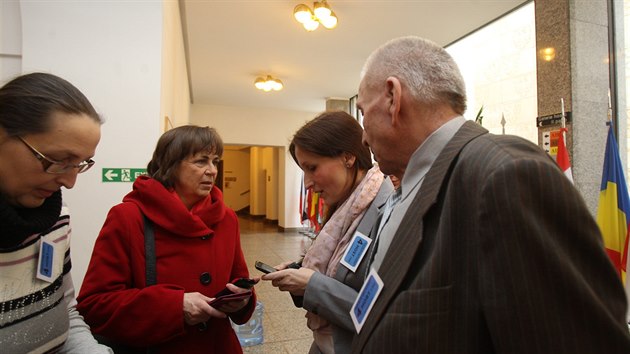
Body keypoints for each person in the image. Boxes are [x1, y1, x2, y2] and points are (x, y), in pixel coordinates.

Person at [350, 35, 630, 353]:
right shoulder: (420, 181)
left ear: (392, 97)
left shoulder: (504, 176)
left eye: (362, 112)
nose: (362, 136)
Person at [77, 125, 256, 354]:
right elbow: (95, 306)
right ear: (171, 164)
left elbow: (237, 277)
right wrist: (175, 307)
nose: (212, 170)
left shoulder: (226, 218)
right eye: (201, 161)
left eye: (215, 161)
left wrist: (241, 300)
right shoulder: (128, 217)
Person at [261, 111, 394, 354]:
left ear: (348, 157)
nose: (308, 183)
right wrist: (300, 270)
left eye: (312, 168)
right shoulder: (346, 208)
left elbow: (378, 313)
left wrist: (312, 284)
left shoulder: (389, 210)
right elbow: (340, 266)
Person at [0, 72, 111, 353]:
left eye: (81, 164)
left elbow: (64, 313)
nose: (70, 182)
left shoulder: (55, 218)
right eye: (59, 161)